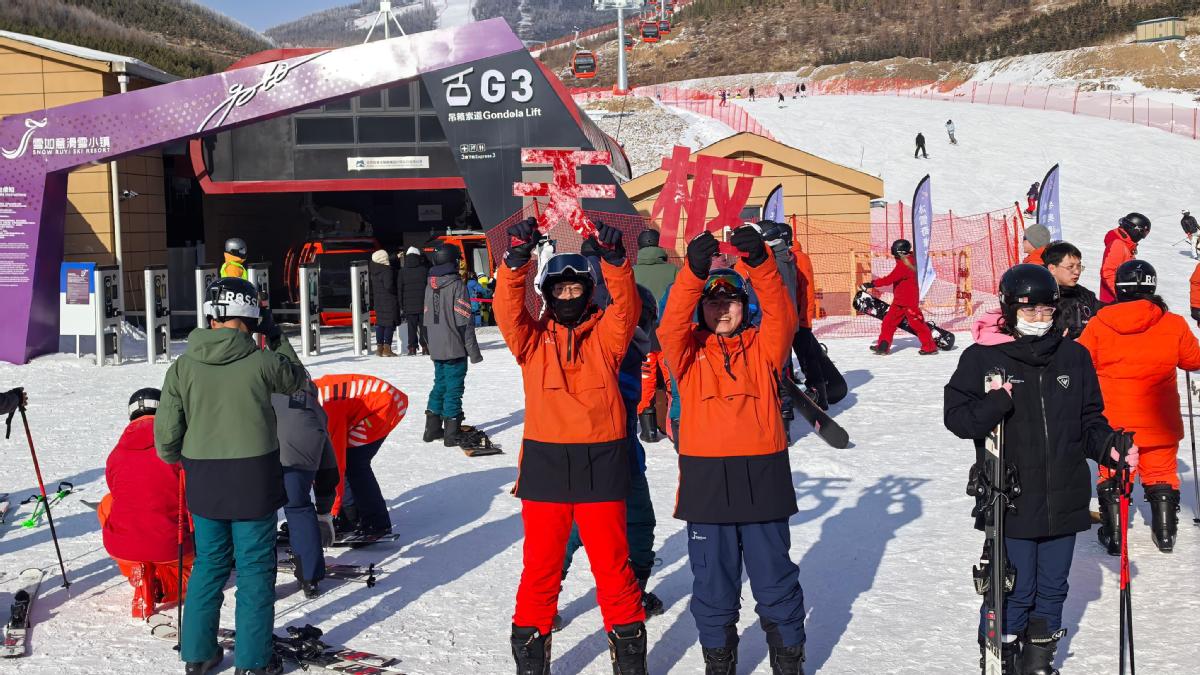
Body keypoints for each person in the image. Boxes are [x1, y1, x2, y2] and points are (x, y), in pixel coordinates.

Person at [945, 263, 1134, 674]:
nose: (1039, 319)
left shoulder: (1074, 356)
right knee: (1014, 588)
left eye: (1047, 311)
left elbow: (1089, 419)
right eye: (1030, 312)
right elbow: (957, 419)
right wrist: (996, 402)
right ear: (1009, 309)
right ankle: (1002, 658)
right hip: (1011, 498)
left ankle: (1038, 663)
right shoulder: (983, 358)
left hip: (1065, 493)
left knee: (1052, 589)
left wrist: (1108, 447)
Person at [495, 217, 647, 675]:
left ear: (586, 291)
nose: (567, 297)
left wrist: (616, 262)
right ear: (547, 294)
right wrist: (516, 260)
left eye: (574, 289)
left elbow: (626, 310)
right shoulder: (531, 341)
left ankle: (630, 663)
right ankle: (531, 662)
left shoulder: (606, 338)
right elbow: (507, 310)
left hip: (600, 460)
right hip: (546, 462)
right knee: (540, 568)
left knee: (613, 569)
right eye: (558, 291)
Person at [660, 227, 804, 674]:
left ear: (745, 307)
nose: (723, 310)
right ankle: (718, 664)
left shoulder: (765, 347)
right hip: (706, 482)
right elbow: (668, 326)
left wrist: (760, 262)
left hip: (763, 477)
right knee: (712, 584)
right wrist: (692, 273)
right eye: (713, 303)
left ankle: (788, 662)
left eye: (731, 302)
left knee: (775, 580)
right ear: (701, 309)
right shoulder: (686, 352)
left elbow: (782, 312)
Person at [155, 276, 308, 675]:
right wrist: (275, 337)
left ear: (213, 314)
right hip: (253, 476)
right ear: (253, 315)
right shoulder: (262, 360)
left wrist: (182, 457)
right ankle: (253, 662)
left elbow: (167, 437)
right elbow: (298, 380)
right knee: (256, 567)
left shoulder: (183, 366)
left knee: (209, 564)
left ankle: (198, 654)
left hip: (204, 477)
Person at [1077, 260, 1200, 554]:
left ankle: (1115, 533)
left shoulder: (1099, 324)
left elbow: (1080, 361)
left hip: (1114, 421)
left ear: (1118, 289)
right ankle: (1165, 533)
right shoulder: (1173, 323)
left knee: (1113, 472)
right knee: (1161, 471)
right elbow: (1194, 360)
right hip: (1161, 419)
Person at [560, 280, 664, 622]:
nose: (642, 326)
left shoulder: (636, 351)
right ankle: (546, 597)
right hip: (596, 459)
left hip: (623, 457)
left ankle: (633, 590)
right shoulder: (603, 349)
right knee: (579, 529)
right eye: (638, 318)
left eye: (645, 319)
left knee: (633, 524)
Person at [99, 387, 192, 619]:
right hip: (172, 545)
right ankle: (163, 588)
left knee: (107, 502)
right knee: (196, 575)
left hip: (123, 547)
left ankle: (140, 573)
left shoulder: (116, 454)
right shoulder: (178, 447)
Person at [314, 374, 407, 537]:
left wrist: (331, 510)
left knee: (355, 464)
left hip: (385, 406)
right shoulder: (310, 395)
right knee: (349, 462)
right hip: (374, 400)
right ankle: (352, 516)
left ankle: (376, 523)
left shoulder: (327, 410)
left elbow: (336, 464)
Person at [272, 380, 339, 598]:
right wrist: (323, 511)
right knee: (299, 507)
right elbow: (328, 466)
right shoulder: (313, 407)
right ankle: (309, 577)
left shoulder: (260, 393)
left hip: (263, 454)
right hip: (302, 457)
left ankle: (259, 578)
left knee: (259, 513)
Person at [422, 244, 483, 448]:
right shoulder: (457, 285)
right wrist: (474, 353)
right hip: (455, 347)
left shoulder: (430, 285)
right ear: (452, 262)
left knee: (439, 384)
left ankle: (431, 429)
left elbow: (427, 318)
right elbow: (464, 321)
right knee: (454, 389)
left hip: (437, 347)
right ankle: (451, 431)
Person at [631, 228, 677, 442]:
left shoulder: (631, 271)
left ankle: (648, 431)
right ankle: (673, 427)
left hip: (642, 335)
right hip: (669, 334)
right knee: (672, 381)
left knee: (646, 380)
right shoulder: (674, 270)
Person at [861, 239, 938, 355]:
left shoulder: (906, 264)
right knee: (888, 322)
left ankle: (930, 347)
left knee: (917, 324)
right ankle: (883, 346)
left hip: (909, 302)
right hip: (899, 301)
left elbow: (890, 279)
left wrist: (872, 284)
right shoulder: (905, 261)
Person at [791, 234, 829, 409]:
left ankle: (819, 393)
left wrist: (803, 318)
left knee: (807, 357)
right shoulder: (789, 256)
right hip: (792, 317)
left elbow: (805, 291)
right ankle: (795, 385)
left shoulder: (798, 258)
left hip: (799, 319)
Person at [1042, 241, 1100, 340]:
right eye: (1070, 267)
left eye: (1079, 266)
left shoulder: (1086, 295)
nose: (1077, 272)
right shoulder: (1041, 297)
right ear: (1052, 269)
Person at [1099, 212, 1151, 303]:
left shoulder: (1126, 246)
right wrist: (1122, 296)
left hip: (1119, 302)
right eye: (1143, 232)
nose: (1142, 237)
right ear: (1134, 229)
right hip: (1113, 303)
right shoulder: (1118, 245)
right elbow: (1107, 273)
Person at [397, 246, 429, 356]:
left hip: (408, 305)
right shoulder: (424, 270)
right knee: (424, 326)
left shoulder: (402, 271)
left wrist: (401, 305)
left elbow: (399, 290)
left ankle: (412, 348)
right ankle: (425, 347)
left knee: (411, 327)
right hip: (423, 303)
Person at [367, 249, 399, 357]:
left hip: (378, 300)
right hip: (388, 300)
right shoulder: (386, 270)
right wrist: (396, 292)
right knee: (389, 324)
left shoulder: (374, 269)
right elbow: (389, 286)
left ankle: (379, 348)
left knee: (380, 323)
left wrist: (395, 257)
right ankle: (387, 348)